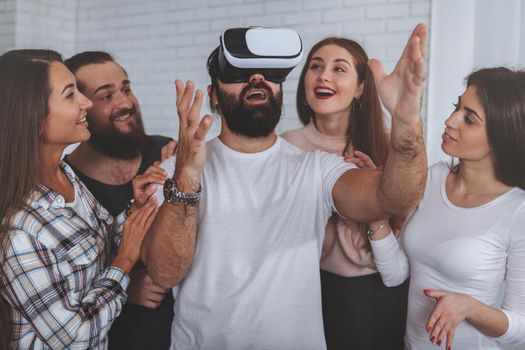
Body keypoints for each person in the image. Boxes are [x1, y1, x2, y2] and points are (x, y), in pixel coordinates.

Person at [141, 24, 428, 349]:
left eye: (269, 72)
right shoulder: (175, 171)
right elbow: (164, 273)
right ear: (213, 97)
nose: (256, 78)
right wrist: (187, 178)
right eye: (239, 72)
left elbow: (391, 198)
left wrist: (407, 123)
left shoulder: (315, 167)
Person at [0, 49, 158, 349]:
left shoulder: (66, 177)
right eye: (71, 95)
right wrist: (125, 263)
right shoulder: (18, 232)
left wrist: (133, 210)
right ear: (34, 118)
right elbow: (75, 337)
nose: (87, 103)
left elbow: (94, 249)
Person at [369, 67, 525, 349]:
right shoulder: (433, 177)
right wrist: (376, 206)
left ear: (501, 135)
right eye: (457, 107)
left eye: (469, 118)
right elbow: (396, 274)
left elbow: (520, 327)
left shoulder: (518, 212)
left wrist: (469, 308)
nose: (450, 121)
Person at [281, 37, 408, 349]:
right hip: (304, 293)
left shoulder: (391, 146)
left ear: (361, 87)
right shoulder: (284, 148)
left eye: (339, 69)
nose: (324, 76)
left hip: (377, 297)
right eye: (315, 67)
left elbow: (399, 261)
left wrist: (376, 196)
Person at [63, 51, 175, 350]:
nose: (125, 102)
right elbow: (64, 297)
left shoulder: (167, 153)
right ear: (82, 107)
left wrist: (188, 168)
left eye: (126, 89)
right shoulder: (67, 185)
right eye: (107, 96)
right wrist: (125, 285)